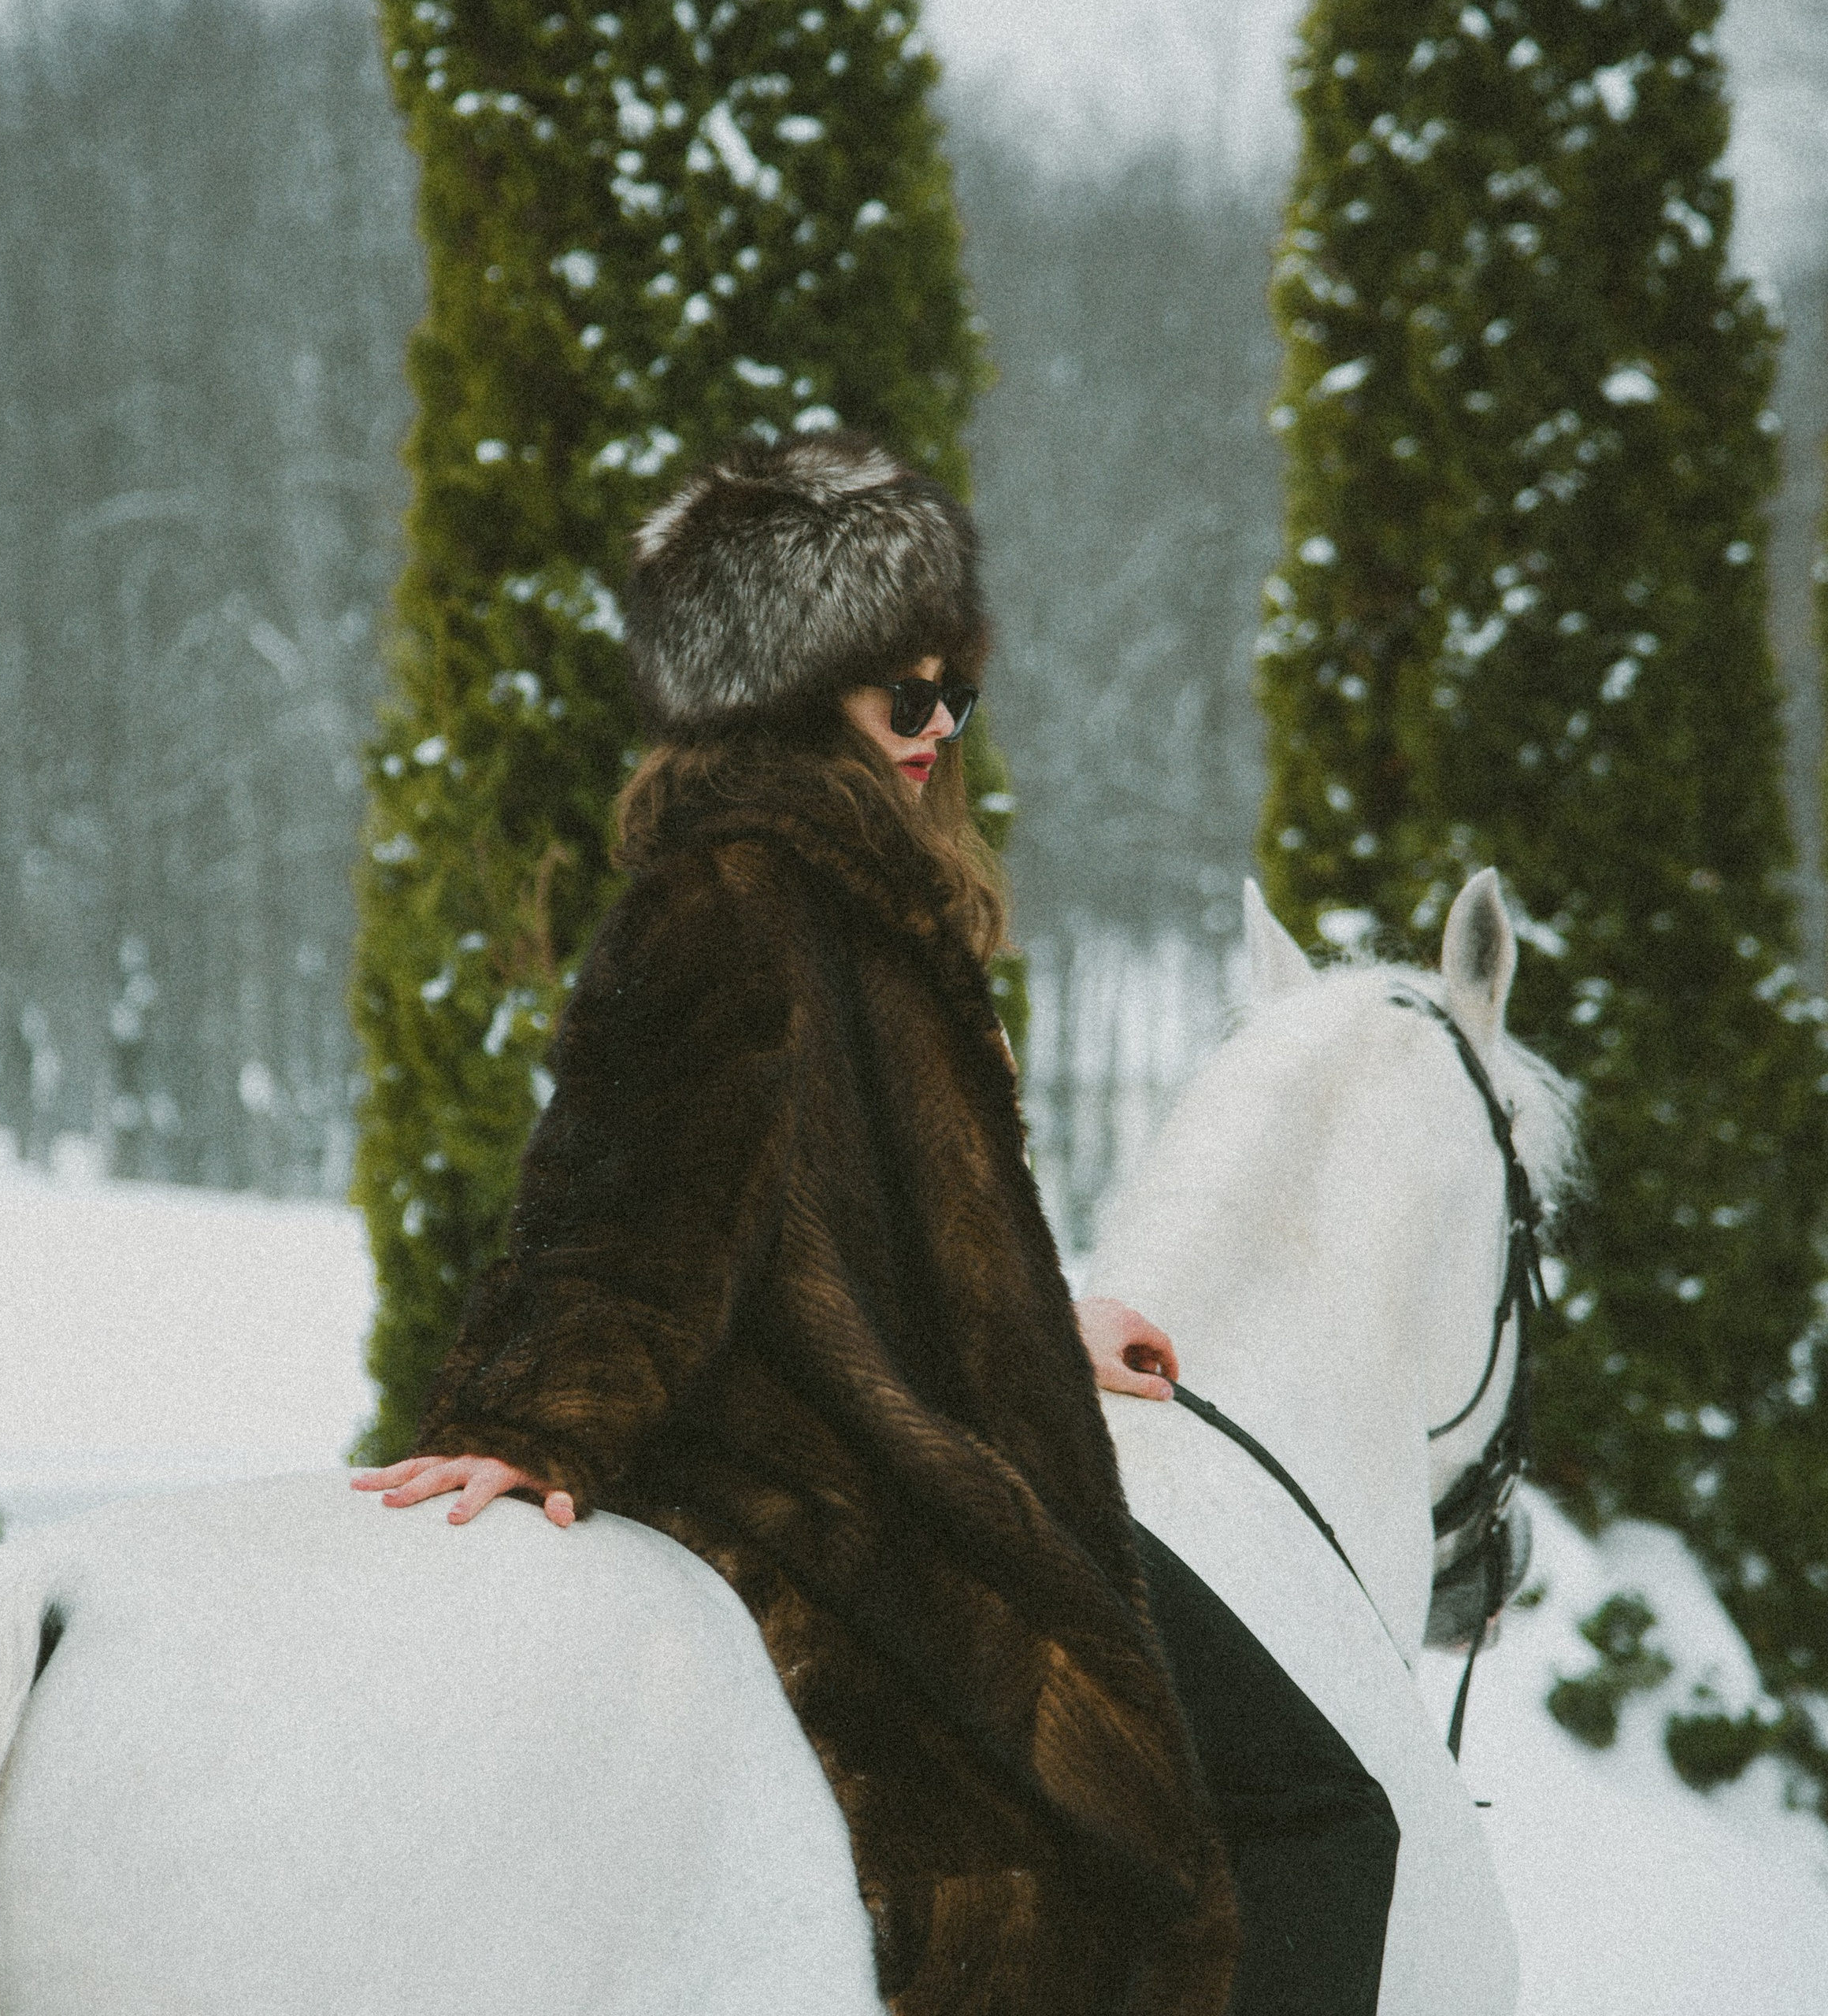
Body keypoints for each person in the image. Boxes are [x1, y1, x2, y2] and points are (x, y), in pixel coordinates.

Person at [354, 432, 1393, 2016]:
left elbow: (857, 1227)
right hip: (853, 1486)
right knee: (1317, 1815)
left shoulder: (865, 898)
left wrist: (1043, 1321)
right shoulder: (736, 897)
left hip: (936, 1428)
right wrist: (533, 1413)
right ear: (782, 685)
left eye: (947, 691)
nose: (931, 730)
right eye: (891, 692)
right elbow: (622, 1204)